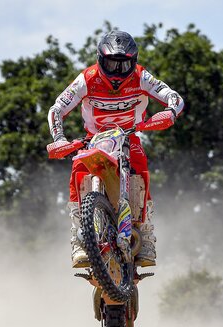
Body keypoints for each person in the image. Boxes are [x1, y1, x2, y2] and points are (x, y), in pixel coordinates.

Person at [47, 30, 184, 268]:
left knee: (140, 164)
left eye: (124, 65)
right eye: (111, 64)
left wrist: (170, 112)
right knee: (78, 168)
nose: (118, 72)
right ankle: (79, 237)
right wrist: (59, 138)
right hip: (93, 139)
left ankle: (145, 233)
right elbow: (57, 108)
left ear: (134, 61)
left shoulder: (141, 76)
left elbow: (174, 97)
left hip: (129, 137)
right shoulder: (87, 78)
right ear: (100, 60)